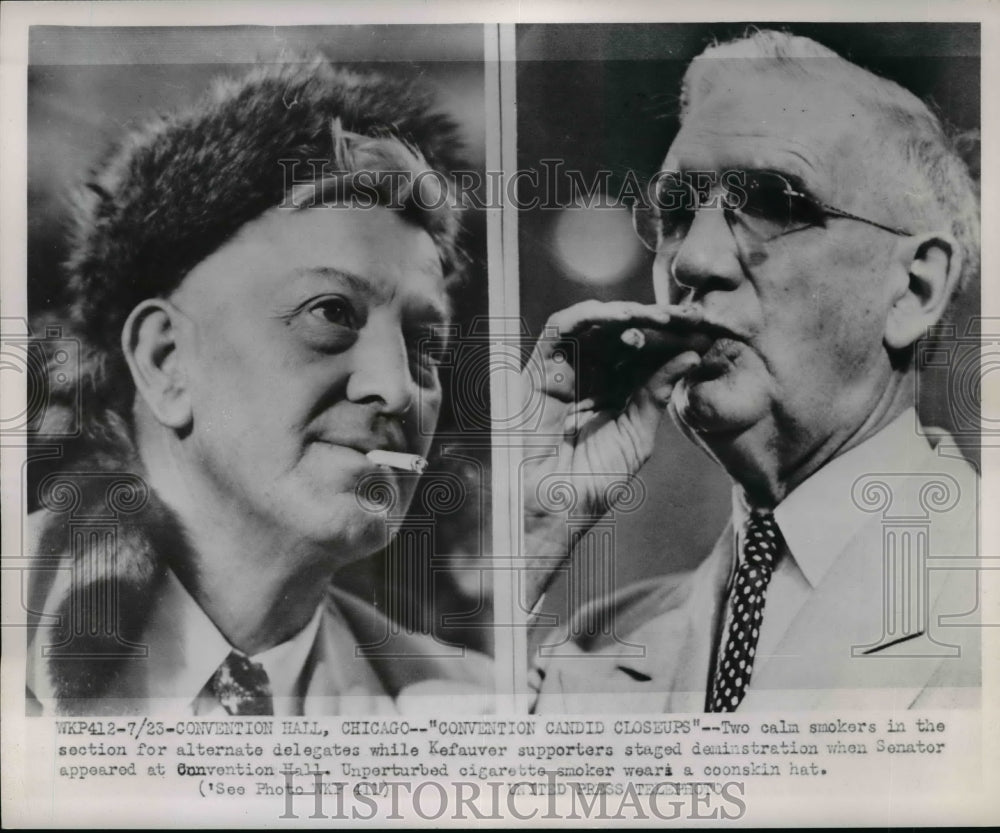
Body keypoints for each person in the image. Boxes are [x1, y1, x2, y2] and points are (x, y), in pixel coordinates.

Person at [525, 30, 980, 712]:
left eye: (774, 203)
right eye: (677, 211)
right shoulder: (593, 647)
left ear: (914, 289)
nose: (693, 260)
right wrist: (533, 534)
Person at [25, 58, 490, 716]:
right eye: (330, 313)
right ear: (165, 360)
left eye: (424, 345)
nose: (394, 389)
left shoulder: (469, 704)